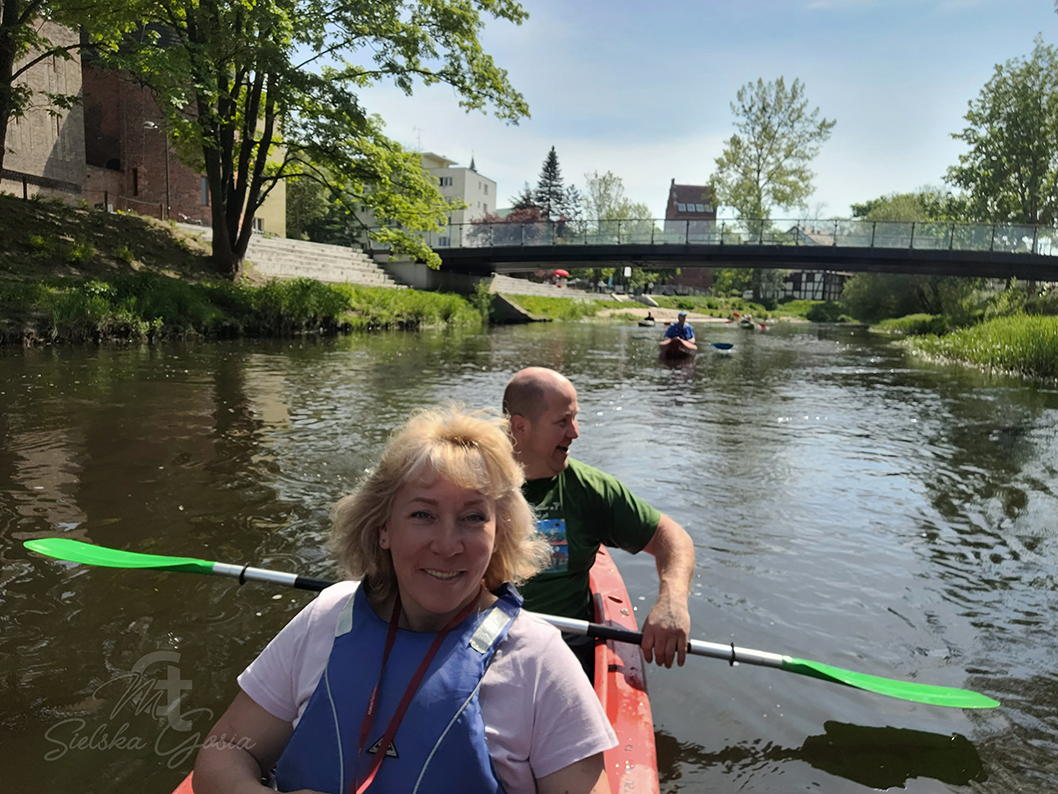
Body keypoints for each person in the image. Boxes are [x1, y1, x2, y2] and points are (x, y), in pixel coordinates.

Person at [193, 407, 616, 794]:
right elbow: (225, 751)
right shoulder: (328, 615)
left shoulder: (539, 660)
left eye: (473, 517)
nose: (448, 546)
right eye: (422, 515)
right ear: (384, 530)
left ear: (498, 533)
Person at [502, 368, 695, 674]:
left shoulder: (589, 490)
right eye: (562, 422)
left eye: (574, 418)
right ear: (520, 427)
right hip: (483, 644)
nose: (575, 432)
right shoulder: (471, 481)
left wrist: (672, 600)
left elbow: (669, 536)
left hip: (561, 652)